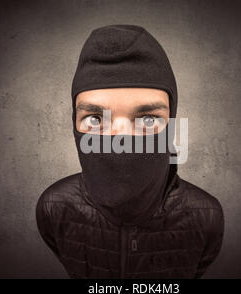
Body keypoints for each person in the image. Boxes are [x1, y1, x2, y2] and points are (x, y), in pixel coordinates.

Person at [36, 24, 224, 278]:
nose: (122, 140)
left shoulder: (206, 216)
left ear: (172, 124)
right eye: (94, 119)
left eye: (147, 119)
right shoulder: (55, 208)